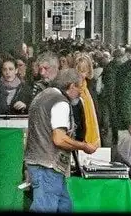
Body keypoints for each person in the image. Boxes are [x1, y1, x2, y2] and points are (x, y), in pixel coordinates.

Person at [24, 68, 98, 212]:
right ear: (71, 86)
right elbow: (59, 139)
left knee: (64, 206)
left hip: (37, 161)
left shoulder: (43, 95)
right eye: (80, 89)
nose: (81, 93)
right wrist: (83, 146)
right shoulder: (61, 103)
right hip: (48, 165)